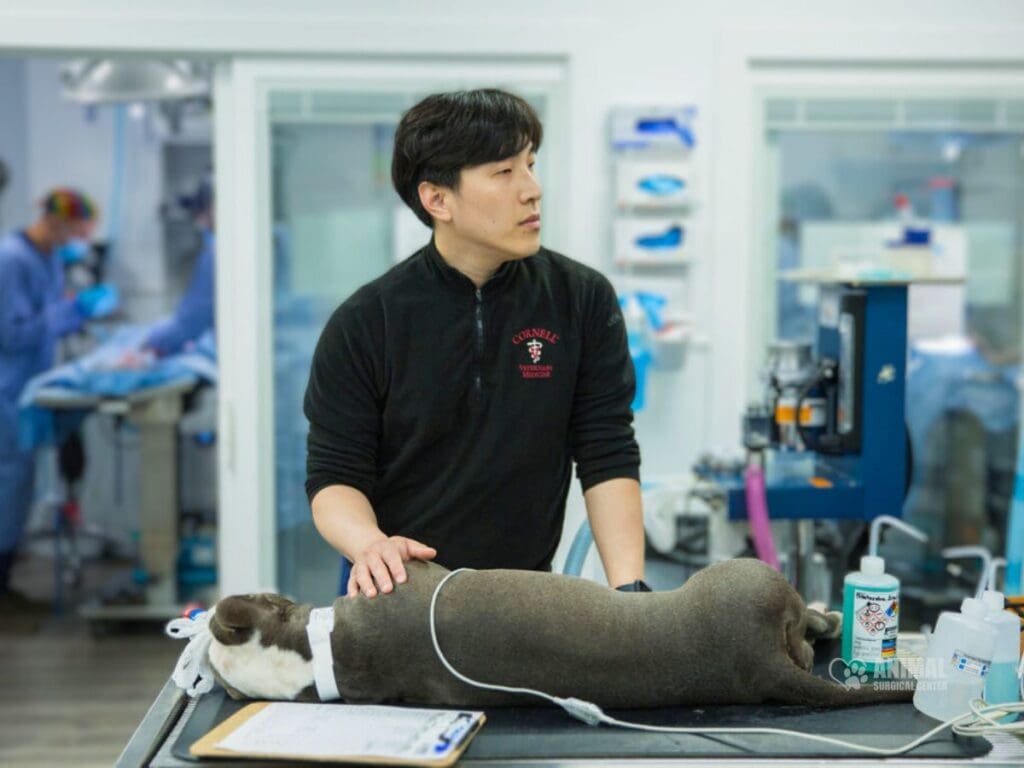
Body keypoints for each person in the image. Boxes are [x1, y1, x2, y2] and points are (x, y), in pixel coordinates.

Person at [304, 89, 647, 599]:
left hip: (524, 596)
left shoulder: (581, 300)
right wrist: (369, 544)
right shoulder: (366, 323)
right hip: (399, 595)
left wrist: (630, 592)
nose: (532, 190)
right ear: (437, 199)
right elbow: (334, 478)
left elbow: (607, 453)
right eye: (504, 172)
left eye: (530, 165)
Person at [0, 188, 115, 605]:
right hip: (8, 387)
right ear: (52, 221)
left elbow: (46, 320)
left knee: (20, 485)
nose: (76, 242)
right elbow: (12, 334)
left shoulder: (48, 257)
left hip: (29, 385)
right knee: (9, 486)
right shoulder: (11, 259)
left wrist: (76, 311)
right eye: (74, 232)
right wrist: (74, 310)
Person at [144, 176, 215, 356]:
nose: (202, 222)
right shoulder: (278, 238)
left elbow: (191, 322)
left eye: (203, 213)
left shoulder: (217, 255)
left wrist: (149, 345)